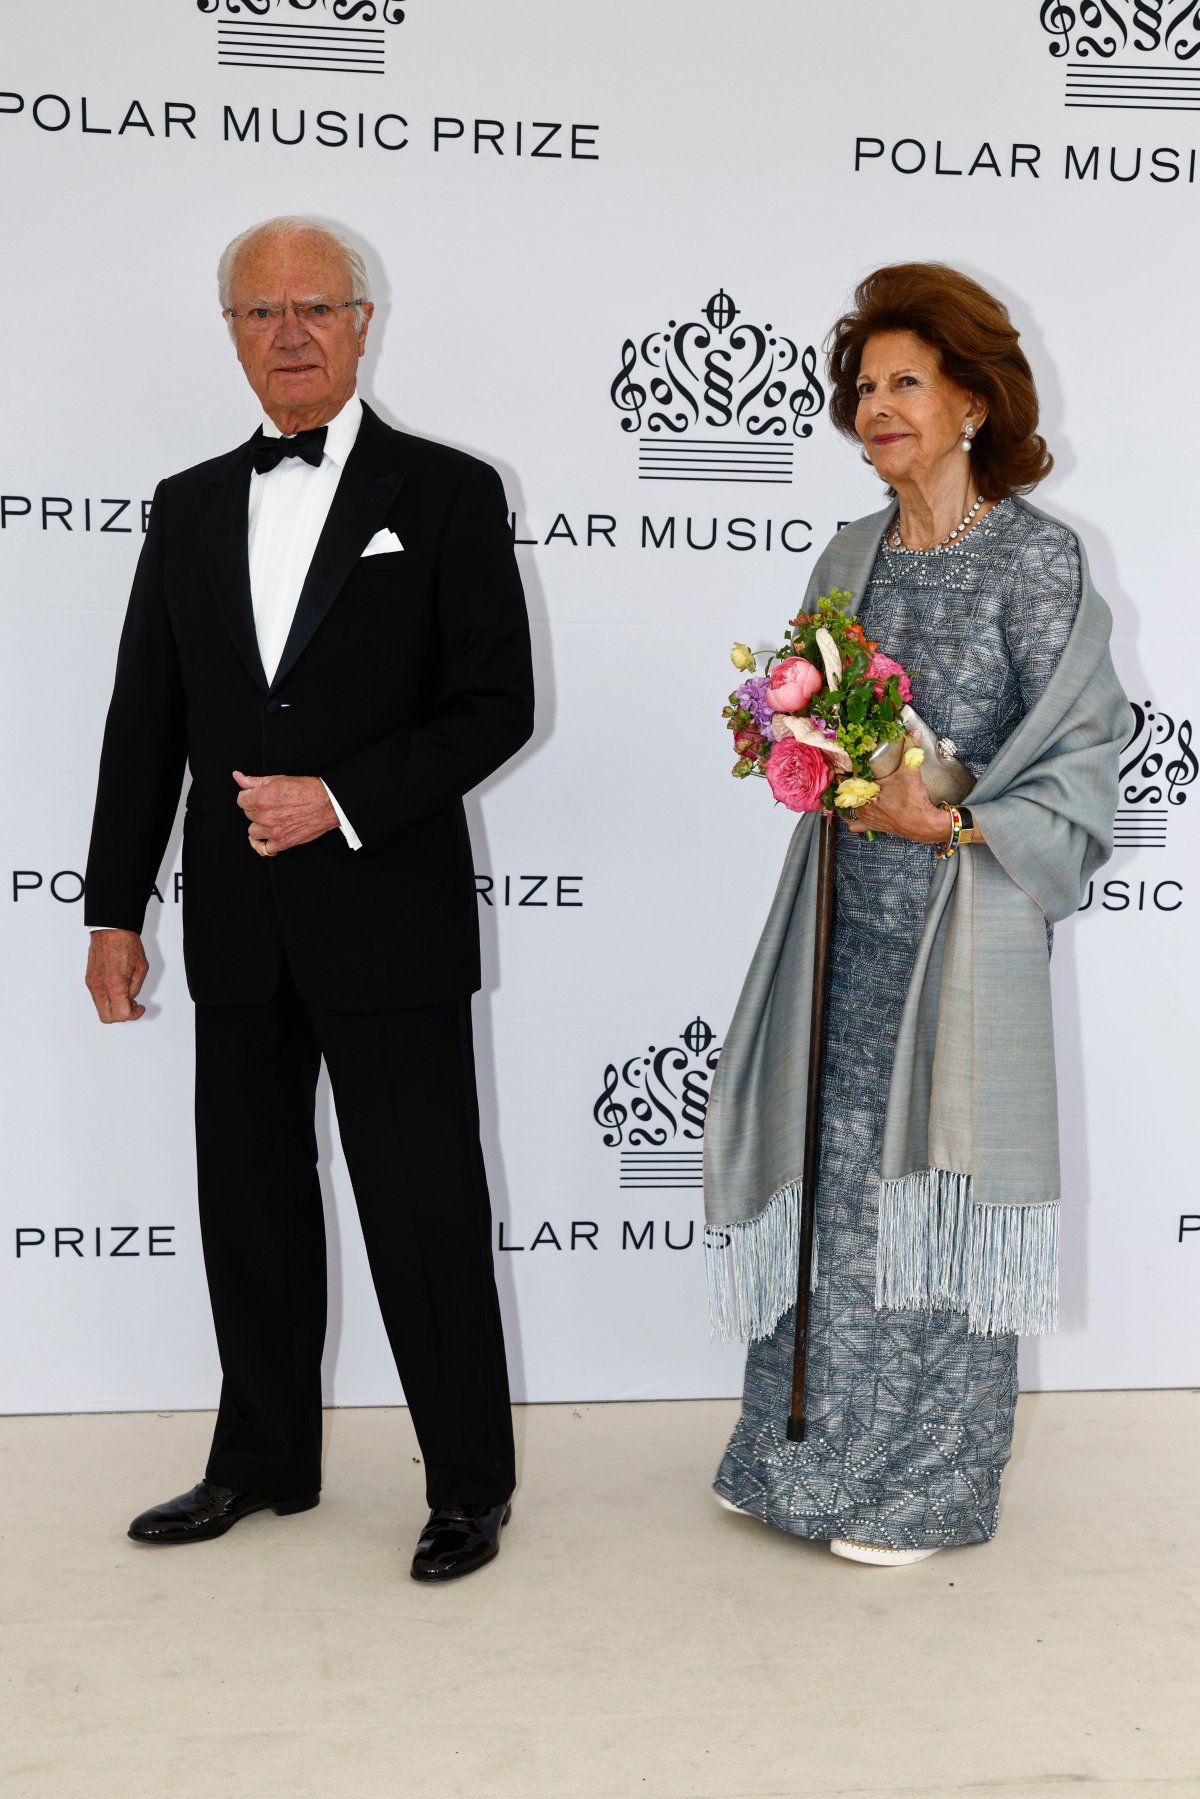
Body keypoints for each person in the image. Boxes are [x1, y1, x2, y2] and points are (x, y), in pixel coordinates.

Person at [83, 215, 533, 1583]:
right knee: (252, 1206)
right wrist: (112, 907)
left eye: (314, 308)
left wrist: (336, 798)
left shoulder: (448, 492)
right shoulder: (187, 503)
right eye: (260, 312)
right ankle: (262, 1460)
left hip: (386, 915)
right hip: (236, 927)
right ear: (231, 334)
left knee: (426, 1209)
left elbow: (493, 706)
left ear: (361, 322)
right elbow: (143, 720)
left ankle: (468, 1486)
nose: (289, 332)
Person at [704, 264, 1126, 1564]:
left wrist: (944, 816)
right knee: (838, 1191)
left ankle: (930, 1492)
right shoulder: (850, 552)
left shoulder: (1039, 560)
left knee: (936, 1200)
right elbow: (816, 712)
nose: (876, 407)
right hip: (844, 929)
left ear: (971, 401)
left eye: (905, 383)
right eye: (862, 387)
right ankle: (799, 1466)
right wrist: (805, 746)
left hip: (966, 931)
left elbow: (1078, 762)